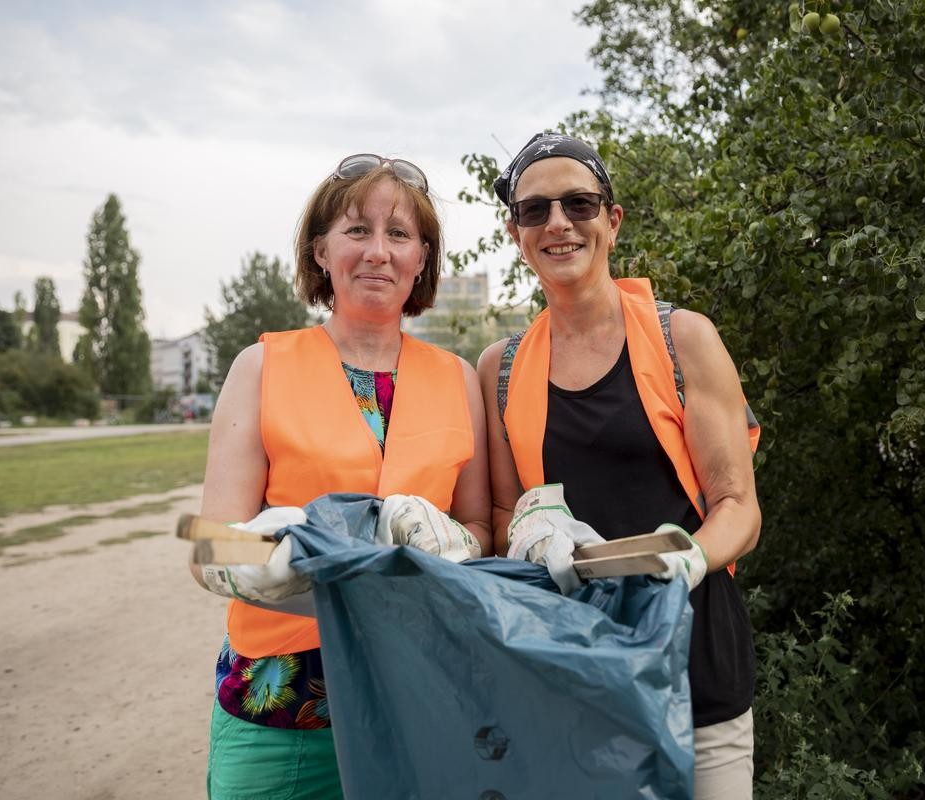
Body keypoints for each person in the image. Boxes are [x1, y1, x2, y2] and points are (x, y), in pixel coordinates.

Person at [478, 132, 762, 799]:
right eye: (534, 209)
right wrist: (528, 534)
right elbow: (497, 514)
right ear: (516, 231)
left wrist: (683, 562)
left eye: (578, 204)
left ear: (613, 218)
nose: (558, 224)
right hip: (571, 685)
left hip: (697, 675)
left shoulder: (683, 338)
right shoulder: (499, 370)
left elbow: (738, 507)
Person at [200, 153, 492, 800]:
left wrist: (454, 542)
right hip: (281, 706)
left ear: (422, 260)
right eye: (357, 231)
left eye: (399, 235)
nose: (377, 253)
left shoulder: (459, 380)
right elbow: (209, 544)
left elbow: (479, 526)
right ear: (320, 252)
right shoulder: (260, 368)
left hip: (421, 697)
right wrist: (264, 561)